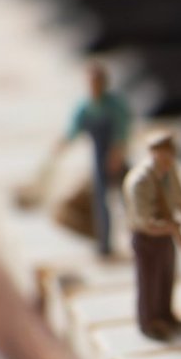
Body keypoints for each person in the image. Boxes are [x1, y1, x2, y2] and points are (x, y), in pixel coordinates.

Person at [122, 132, 181, 340]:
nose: (167, 163)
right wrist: (167, 227)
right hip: (147, 236)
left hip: (166, 232)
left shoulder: (169, 170)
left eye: (170, 158)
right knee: (149, 280)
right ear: (153, 154)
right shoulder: (139, 181)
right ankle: (148, 322)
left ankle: (165, 315)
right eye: (163, 158)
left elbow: (178, 194)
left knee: (167, 274)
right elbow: (143, 220)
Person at [55, 63, 132, 256]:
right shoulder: (86, 107)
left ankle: (136, 240)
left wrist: (117, 153)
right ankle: (104, 245)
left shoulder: (115, 106)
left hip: (116, 157)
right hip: (99, 157)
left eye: (97, 83)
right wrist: (64, 142)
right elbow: (74, 128)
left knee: (129, 198)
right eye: (91, 83)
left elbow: (123, 129)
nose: (94, 87)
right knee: (100, 202)